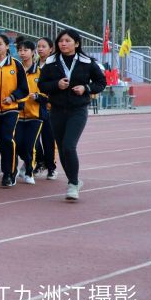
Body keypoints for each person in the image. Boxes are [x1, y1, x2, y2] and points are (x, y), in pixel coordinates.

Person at [38, 29, 106, 201]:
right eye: (61, 41)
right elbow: (42, 85)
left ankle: (73, 184)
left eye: (68, 41)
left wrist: (86, 88)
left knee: (69, 145)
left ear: (76, 43)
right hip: (57, 110)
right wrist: (57, 84)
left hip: (78, 109)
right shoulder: (51, 62)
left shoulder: (87, 62)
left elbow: (101, 82)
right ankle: (73, 180)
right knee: (61, 149)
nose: (63, 44)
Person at [0, 33, 29, 188]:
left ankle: (9, 173)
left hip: (11, 109)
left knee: (6, 139)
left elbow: (24, 89)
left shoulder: (16, 65)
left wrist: (12, 97)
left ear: (7, 46)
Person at [16, 39, 45, 185]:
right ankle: (23, 166)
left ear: (33, 52)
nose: (22, 53)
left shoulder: (41, 72)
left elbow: (48, 93)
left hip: (35, 115)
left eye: (25, 50)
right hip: (18, 114)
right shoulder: (15, 70)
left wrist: (38, 96)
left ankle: (29, 172)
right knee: (18, 144)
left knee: (29, 145)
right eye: (20, 50)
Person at [35, 36, 58, 180]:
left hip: (50, 107)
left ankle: (51, 167)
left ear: (51, 49)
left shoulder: (55, 66)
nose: (40, 49)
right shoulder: (33, 65)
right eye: (38, 46)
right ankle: (40, 161)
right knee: (34, 139)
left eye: (43, 46)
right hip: (34, 107)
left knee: (49, 139)